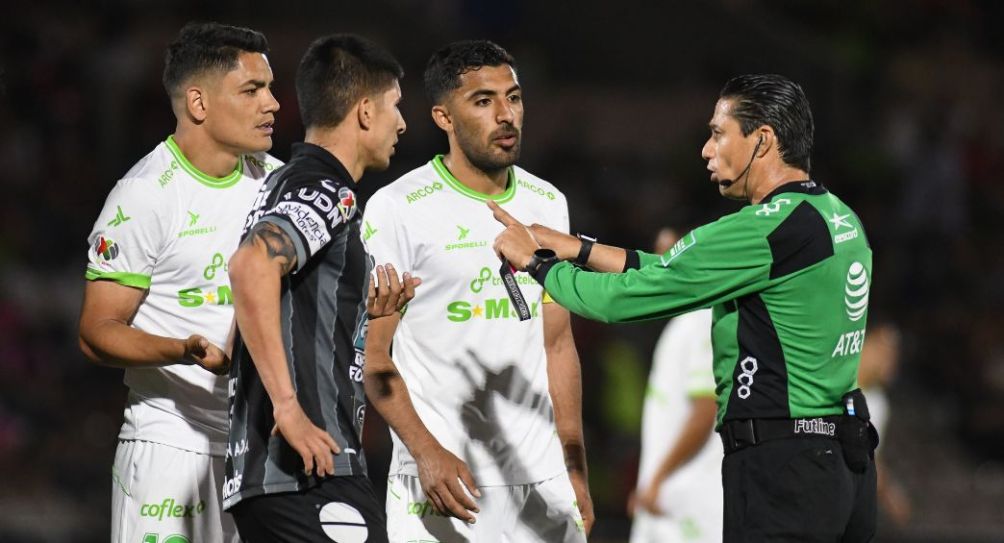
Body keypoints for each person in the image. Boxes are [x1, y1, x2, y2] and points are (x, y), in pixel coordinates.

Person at [493, 73, 878, 541]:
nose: (706, 150)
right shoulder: (835, 217)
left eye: (718, 133)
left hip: (783, 469)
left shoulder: (763, 229)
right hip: (840, 460)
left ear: (763, 140)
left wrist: (536, 265)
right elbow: (674, 269)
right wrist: (579, 248)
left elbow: (625, 300)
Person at [362, 40, 592, 542]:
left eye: (514, 97)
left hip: (541, 483)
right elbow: (375, 358)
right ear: (443, 116)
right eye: (484, 101)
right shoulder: (398, 208)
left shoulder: (548, 203)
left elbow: (557, 345)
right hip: (445, 484)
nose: (506, 114)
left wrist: (574, 467)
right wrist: (424, 451)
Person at [78, 22, 281, 543]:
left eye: (271, 88)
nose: (273, 104)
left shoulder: (282, 185)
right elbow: (97, 330)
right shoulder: (145, 195)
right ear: (198, 102)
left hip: (261, 450)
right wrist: (182, 349)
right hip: (171, 444)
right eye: (252, 90)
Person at [222, 34, 415, 543]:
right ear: (366, 111)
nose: (403, 123)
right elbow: (250, 267)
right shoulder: (327, 191)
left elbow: (258, 306)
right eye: (396, 106)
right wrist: (287, 407)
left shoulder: (282, 185)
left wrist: (360, 317)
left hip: (273, 476)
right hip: (308, 474)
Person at [629, 229, 723, 543]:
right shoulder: (684, 321)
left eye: (671, 252)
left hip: (686, 502)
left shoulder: (702, 319)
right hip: (666, 496)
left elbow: (705, 411)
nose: (662, 265)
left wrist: (657, 479)